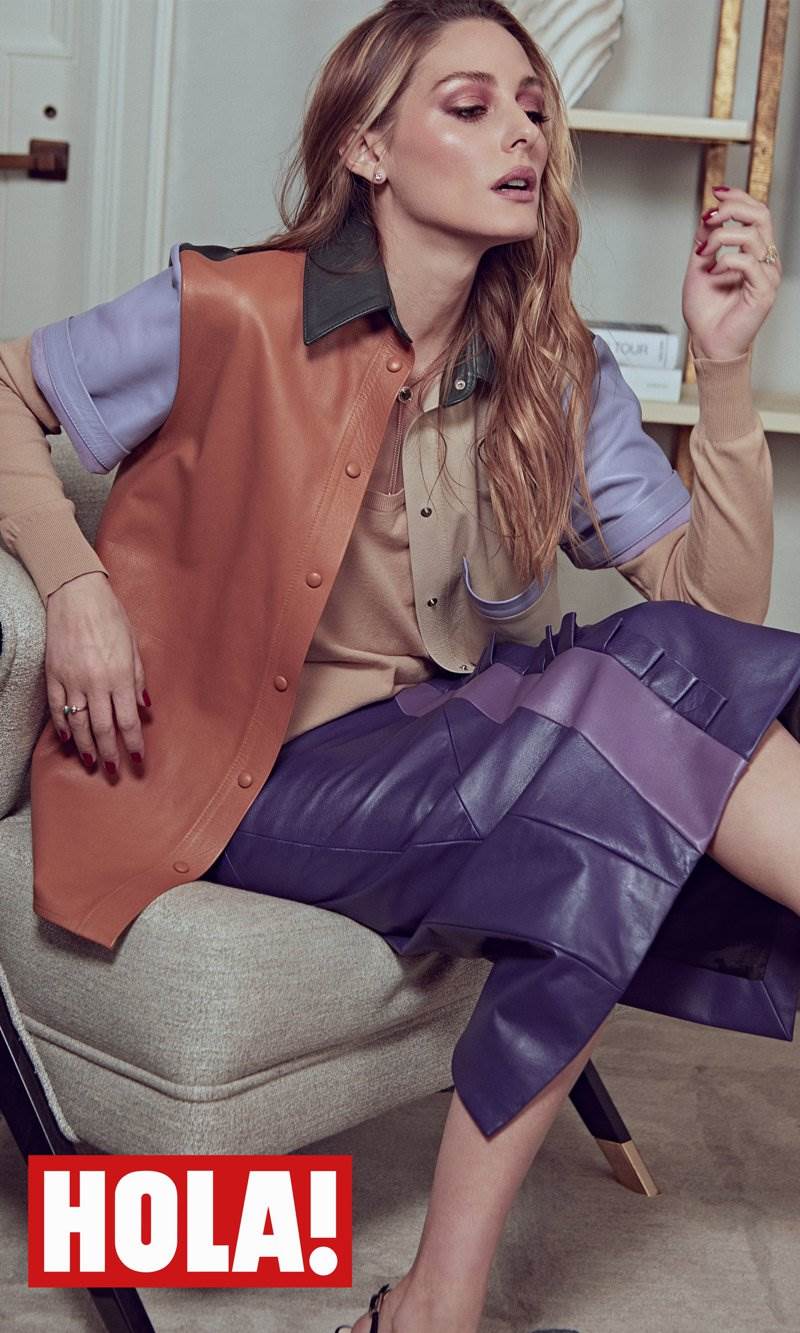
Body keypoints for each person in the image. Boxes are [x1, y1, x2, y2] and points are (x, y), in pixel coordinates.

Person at [0, 2, 797, 1330]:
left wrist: (723, 372)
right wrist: (73, 583)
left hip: (434, 751)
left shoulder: (552, 365)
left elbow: (717, 622)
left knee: (630, 757)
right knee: (618, 735)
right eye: (469, 107)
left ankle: (429, 1307)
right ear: (368, 148)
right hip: (234, 776)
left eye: (533, 107)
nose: (522, 132)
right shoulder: (233, 308)